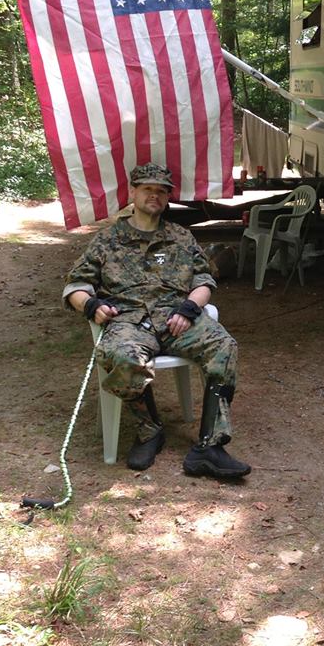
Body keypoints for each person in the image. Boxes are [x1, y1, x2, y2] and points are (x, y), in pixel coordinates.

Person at [62, 163, 251, 477]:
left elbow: (204, 280)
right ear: (133, 192)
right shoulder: (108, 239)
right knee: (123, 357)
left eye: (162, 191)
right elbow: (75, 285)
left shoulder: (181, 237)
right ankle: (149, 430)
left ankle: (210, 446)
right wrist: (91, 305)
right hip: (129, 322)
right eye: (148, 188)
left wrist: (190, 308)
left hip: (176, 319)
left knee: (223, 346)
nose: (155, 195)